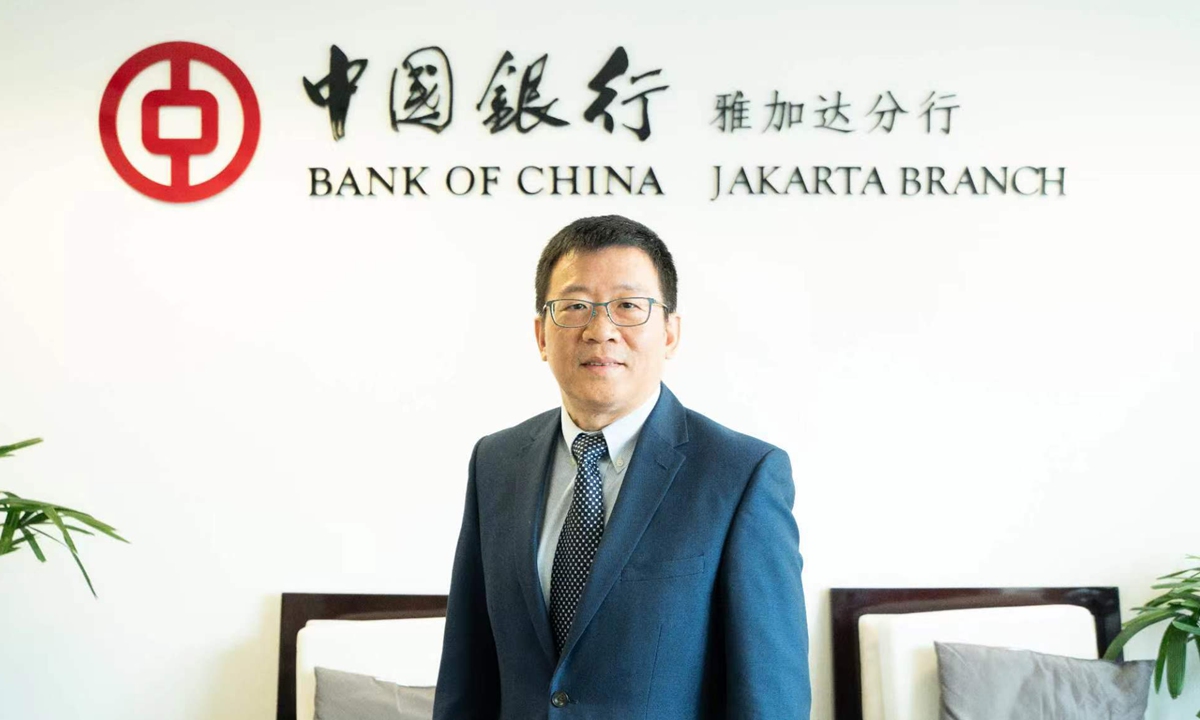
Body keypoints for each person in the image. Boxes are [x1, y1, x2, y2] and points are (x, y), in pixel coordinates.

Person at [433, 215, 810, 720]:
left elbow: (771, 699)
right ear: (541, 335)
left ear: (670, 333)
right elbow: (467, 672)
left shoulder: (741, 475)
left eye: (629, 306)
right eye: (575, 307)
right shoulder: (496, 462)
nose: (601, 330)